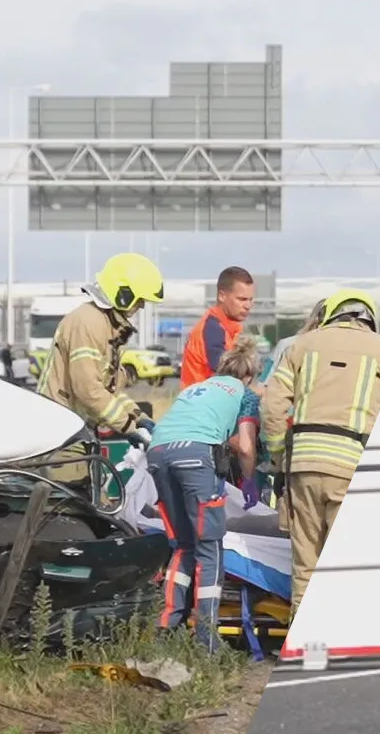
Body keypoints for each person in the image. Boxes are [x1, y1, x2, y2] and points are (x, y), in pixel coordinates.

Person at [262, 289, 380, 613]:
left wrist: (279, 456)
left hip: (304, 467)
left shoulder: (302, 345)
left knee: (305, 568)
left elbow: (271, 405)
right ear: (369, 317)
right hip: (353, 465)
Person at [146, 336, 264, 648]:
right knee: (209, 548)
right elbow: (247, 447)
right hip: (195, 458)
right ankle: (207, 643)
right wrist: (250, 482)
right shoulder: (245, 394)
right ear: (250, 375)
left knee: (183, 545)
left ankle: (164, 630)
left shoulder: (196, 388)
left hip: (158, 454)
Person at [39, 252, 164, 479]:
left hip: (74, 431)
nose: (142, 306)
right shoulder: (88, 323)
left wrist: (138, 417)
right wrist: (129, 427)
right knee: (72, 508)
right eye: (140, 299)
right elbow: (89, 390)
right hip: (60, 434)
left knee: (95, 504)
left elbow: (109, 390)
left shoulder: (105, 325)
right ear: (122, 294)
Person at [180, 266, 257, 387]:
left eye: (250, 300)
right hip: (202, 402)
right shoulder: (212, 330)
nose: (248, 305)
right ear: (222, 296)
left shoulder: (225, 328)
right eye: (242, 299)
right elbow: (229, 376)